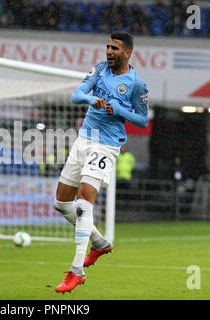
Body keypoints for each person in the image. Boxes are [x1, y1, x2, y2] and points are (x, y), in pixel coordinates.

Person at [53, 32, 148, 293]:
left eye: (114, 48)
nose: (109, 51)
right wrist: (91, 99)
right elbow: (76, 95)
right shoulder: (99, 69)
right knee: (61, 204)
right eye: (107, 46)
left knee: (84, 202)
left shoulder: (137, 84)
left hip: (106, 145)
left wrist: (118, 110)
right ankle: (100, 243)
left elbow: (142, 120)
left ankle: (76, 271)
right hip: (84, 138)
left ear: (127, 53)